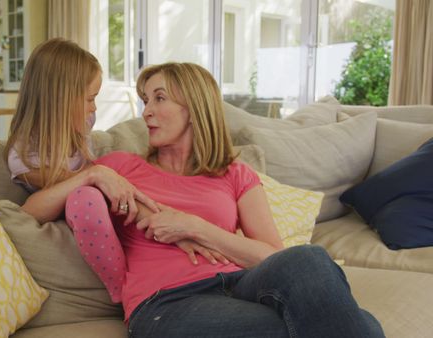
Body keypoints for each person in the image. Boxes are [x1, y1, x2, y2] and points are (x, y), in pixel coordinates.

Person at [60, 62, 384, 337]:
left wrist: (197, 227)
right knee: (359, 326)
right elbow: (32, 209)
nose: (146, 112)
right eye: (145, 100)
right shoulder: (121, 167)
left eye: (159, 99)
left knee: (308, 258)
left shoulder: (234, 174)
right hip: (167, 302)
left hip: (240, 284)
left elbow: (271, 257)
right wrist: (92, 175)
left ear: (195, 108)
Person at [4, 38, 163, 303]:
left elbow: (91, 164)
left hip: (91, 185)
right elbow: (43, 199)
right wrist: (95, 175)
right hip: (68, 200)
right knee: (86, 198)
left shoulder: (84, 121)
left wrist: (103, 173)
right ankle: (122, 290)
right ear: (59, 99)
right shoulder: (22, 152)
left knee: (122, 165)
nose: (94, 108)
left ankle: (166, 234)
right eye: (90, 99)